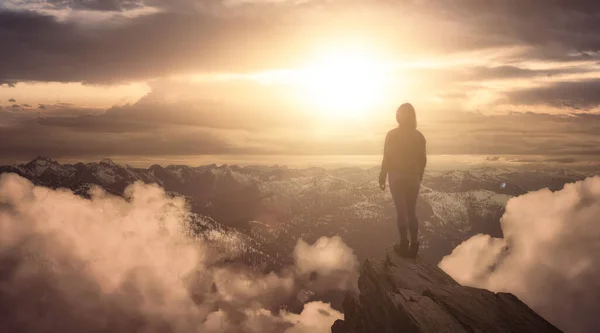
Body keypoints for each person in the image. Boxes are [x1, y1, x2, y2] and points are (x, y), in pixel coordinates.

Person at [379, 103, 427, 258]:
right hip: (413, 177)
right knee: (411, 211)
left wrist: (382, 174)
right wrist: (419, 176)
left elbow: (387, 157)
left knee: (401, 211)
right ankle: (414, 244)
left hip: (396, 177)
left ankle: (403, 244)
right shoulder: (419, 137)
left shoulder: (392, 135)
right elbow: (423, 160)